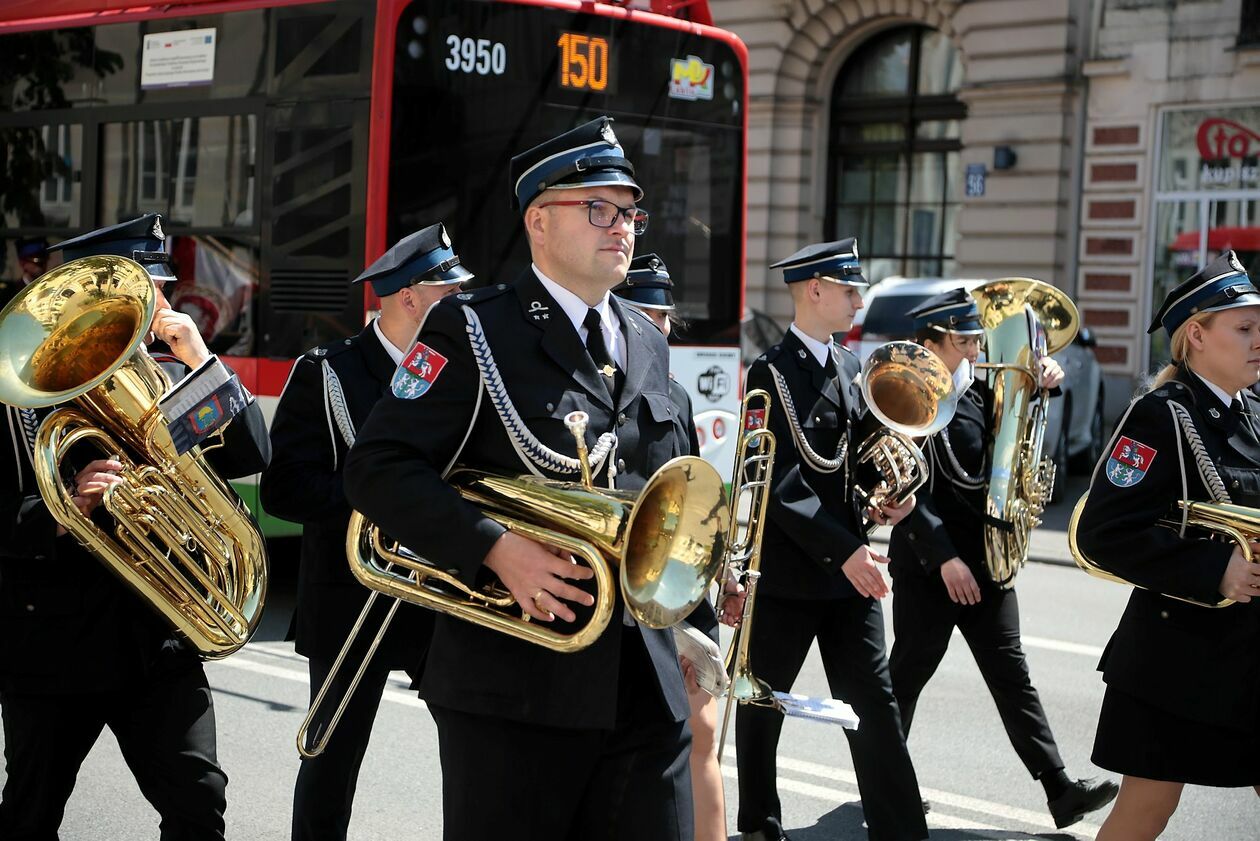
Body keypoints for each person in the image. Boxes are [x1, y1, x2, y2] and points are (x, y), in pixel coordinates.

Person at [342, 116, 700, 841]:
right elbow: (376, 469)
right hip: (516, 692)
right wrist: (494, 546)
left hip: (644, 688)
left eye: (629, 210)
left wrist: (692, 618)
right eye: (598, 208)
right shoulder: (470, 330)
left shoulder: (648, 339)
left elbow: (672, 497)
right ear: (539, 220)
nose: (622, 226)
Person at [0, 213, 270, 840]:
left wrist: (201, 358)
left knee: (200, 804)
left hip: (156, 643)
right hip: (51, 647)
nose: (151, 315)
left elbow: (250, 455)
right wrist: (67, 510)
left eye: (155, 294)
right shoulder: (22, 398)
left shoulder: (175, 379)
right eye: (133, 301)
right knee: (29, 814)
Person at [260, 223, 469, 841]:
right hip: (351, 598)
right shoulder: (329, 372)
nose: (463, 302)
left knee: (477, 752)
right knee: (330, 763)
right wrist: (378, 507)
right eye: (449, 291)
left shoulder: (457, 370)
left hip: (442, 598)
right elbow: (283, 489)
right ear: (410, 297)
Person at [886, 288, 1118, 829]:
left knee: (1012, 676)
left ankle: (1059, 788)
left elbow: (1007, 454)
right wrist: (944, 559)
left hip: (985, 563)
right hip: (929, 566)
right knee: (906, 678)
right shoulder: (902, 397)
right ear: (929, 343)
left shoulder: (978, 394)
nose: (973, 349)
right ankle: (888, 784)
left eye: (975, 338)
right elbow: (902, 491)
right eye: (962, 340)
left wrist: (1040, 387)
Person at [732, 238, 927, 841]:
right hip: (791, 573)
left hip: (851, 570)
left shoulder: (851, 368)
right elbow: (778, 482)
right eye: (848, 289)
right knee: (762, 704)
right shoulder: (769, 370)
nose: (857, 299)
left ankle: (900, 830)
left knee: (875, 704)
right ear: (813, 290)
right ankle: (760, 823)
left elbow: (861, 459)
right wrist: (847, 551)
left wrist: (895, 496)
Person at [1073, 250, 1260, 840]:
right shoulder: (1162, 415)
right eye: (1246, 328)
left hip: (1250, 653)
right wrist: (1214, 569)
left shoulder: (1253, 411)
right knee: (1146, 812)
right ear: (1197, 335)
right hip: (1180, 661)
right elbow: (1102, 534)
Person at [613, 252, 726, 841]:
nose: (658, 328)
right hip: (615, 597)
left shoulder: (676, 396)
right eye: (644, 314)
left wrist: (718, 582)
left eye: (663, 317)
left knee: (697, 743)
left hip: (674, 593)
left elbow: (695, 503)